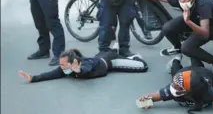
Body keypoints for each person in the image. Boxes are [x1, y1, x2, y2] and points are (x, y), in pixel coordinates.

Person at [132, 0, 213, 80]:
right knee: (167, 28)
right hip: (192, 19)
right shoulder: (179, 0)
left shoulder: (203, 6)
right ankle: (177, 47)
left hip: (211, 26)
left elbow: (205, 34)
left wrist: (188, 21)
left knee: (187, 48)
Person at [137, 58, 213, 114]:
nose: (172, 86)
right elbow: (151, 97)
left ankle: (193, 58)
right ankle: (176, 60)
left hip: (203, 74)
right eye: (174, 83)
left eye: (177, 86)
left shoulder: (208, 92)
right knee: (175, 71)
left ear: (187, 91)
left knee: (197, 64)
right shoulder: (173, 87)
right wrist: (144, 101)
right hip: (185, 72)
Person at [18, 48, 148, 83]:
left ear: (72, 62)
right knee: (109, 51)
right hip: (100, 57)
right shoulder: (65, 68)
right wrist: (33, 78)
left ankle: (133, 57)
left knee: (143, 67)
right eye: (60, 65)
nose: (62, 67)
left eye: (64, 65)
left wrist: (78, 71)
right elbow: (51, 74)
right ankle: (115, 49)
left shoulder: (84, 63)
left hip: (110, 62)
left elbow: (85, 71)